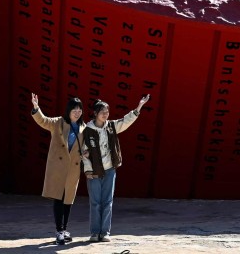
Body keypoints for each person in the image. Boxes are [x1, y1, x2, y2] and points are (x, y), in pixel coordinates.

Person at [81, 94, 150, 242]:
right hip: (94, 171)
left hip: (110, 169)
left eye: (107, 111)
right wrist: (88, 170)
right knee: (95, 203)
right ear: (95, 113)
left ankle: (105, 232)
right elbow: (84, 153)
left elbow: (126, 121)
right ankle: (95, 232)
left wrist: (139, 106)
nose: (105, 114)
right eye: (102, 112)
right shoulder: (87, 130)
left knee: (107, 202)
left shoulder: (111, 126)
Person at [30, 92, 85, 244]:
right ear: (68, 110)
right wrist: (36, 108)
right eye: (74, 110)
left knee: (68, 200)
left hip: (73, 169)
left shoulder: (83, 128)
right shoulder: (58, 123)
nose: (77, 112)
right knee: (59, 198)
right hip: (59, 168)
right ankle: (59, 231)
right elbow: (43, 121)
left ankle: (65, 229)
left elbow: (84, 148)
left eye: (79, 110)